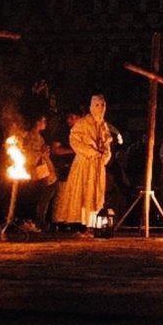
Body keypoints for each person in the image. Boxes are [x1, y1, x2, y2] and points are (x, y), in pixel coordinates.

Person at [53, 94, 113, 235]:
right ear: (92, 106)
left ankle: (92, 224)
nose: (100, 108)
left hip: (97, 166)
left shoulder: (104, 125)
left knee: (95, 194)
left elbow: (107, 145)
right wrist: (90, 152)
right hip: (84, 164)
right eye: (97, 105)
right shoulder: (83, 123)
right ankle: (79, 224)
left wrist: (104, 156)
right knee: (81, 193)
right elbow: (74, 140)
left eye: (103, 105)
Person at [20, 114, 58, 230]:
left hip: (42, 168)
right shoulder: (31, 136)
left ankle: (39, 220)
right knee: (41, 194)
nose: (45, 123)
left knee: (46, 193)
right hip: (36, 170)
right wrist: (41, 153)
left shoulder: (39, 136)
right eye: (43, 120)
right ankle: (37, 221)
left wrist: (45, 152)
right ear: (36, 122)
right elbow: (30, 155)